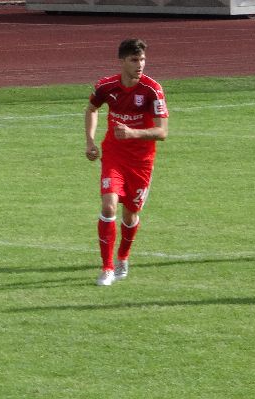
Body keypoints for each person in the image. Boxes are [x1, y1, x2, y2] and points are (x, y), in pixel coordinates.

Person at [84, 38, 168, 286]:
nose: (140, 64)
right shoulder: (106, 86)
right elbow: (91, 109)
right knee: (109, 207)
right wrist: (90, 141)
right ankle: (107, 268)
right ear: (122, 61)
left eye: (142, 59)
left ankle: (122, 257)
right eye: (134, 60)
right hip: (114, 156)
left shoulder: (152, 90)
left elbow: (162, 132)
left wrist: (133, 133)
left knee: (130, 215)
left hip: (141, 162)